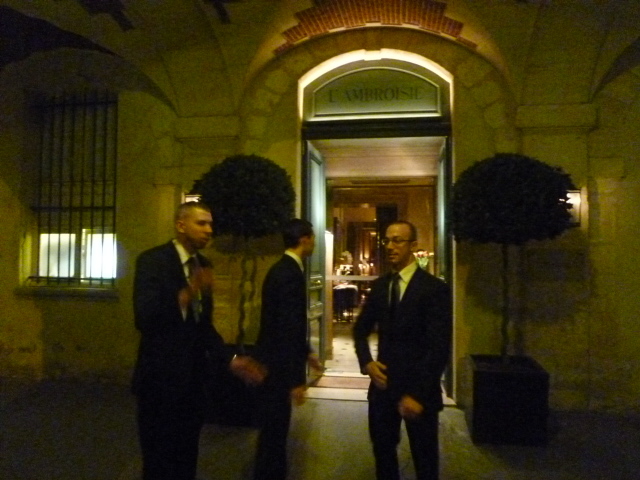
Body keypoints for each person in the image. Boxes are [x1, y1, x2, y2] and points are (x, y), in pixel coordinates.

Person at [131, 201, 262, 480]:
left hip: (193, 384)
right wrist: (189, 291)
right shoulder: (153, 261)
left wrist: (232, 360)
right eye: (201, 223)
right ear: (181, 226)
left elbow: (203, 327)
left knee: (186, 456)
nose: (209, 230)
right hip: (160, 382)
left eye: (210, 224)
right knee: (158, 460)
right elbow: (145, 317)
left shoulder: (204, 264)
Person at [353, 221, 452, 480]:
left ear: (413, 245)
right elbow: (360, 329)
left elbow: (439, 347)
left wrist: (417, 394)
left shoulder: (434, 289)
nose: (390, 246)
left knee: (424, 459)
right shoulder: (381, 285)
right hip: (383, 387)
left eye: (397, 240)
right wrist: (367, 362)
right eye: (387, 240)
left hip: (418, 389)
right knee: (383, 454)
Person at [252, 218, 323, 480]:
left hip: (275, 362)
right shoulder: (289, 274)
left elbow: (287, 324)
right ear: (303, 239)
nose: (314, 242)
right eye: (312, 237)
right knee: (275, 430)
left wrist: (307, 352)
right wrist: (295, 379)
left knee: (273, 430)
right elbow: (286, 327)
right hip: (279, 367)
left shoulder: (282, 269)